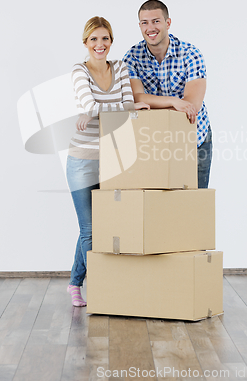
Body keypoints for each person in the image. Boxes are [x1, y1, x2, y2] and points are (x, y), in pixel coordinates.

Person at [67, 16, 149, 306]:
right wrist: (114, 108)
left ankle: (75, 282)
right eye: (93, 39)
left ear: (111, 42)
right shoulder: (79, 70)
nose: (99, 45)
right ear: (86, 43)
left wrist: (99, 111)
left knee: (105, 224)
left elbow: (125, 107)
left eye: (105, 39)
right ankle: (97, 288)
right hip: (83, 160)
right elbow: (96, 106)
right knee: (90, 229)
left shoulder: (121, 68)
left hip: (114, 157)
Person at [123, 0, 212, 188]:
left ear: (167, 23)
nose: (150, 28)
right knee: (160, 209)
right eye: (145, 23)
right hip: (154, 141)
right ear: (139, 26)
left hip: (193, 138)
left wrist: (157, 103)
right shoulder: (131, 57)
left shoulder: (191, 54)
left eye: (156, 21)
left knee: (194, 207)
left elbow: (191, 106)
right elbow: (137, 98)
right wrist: (174, 101)